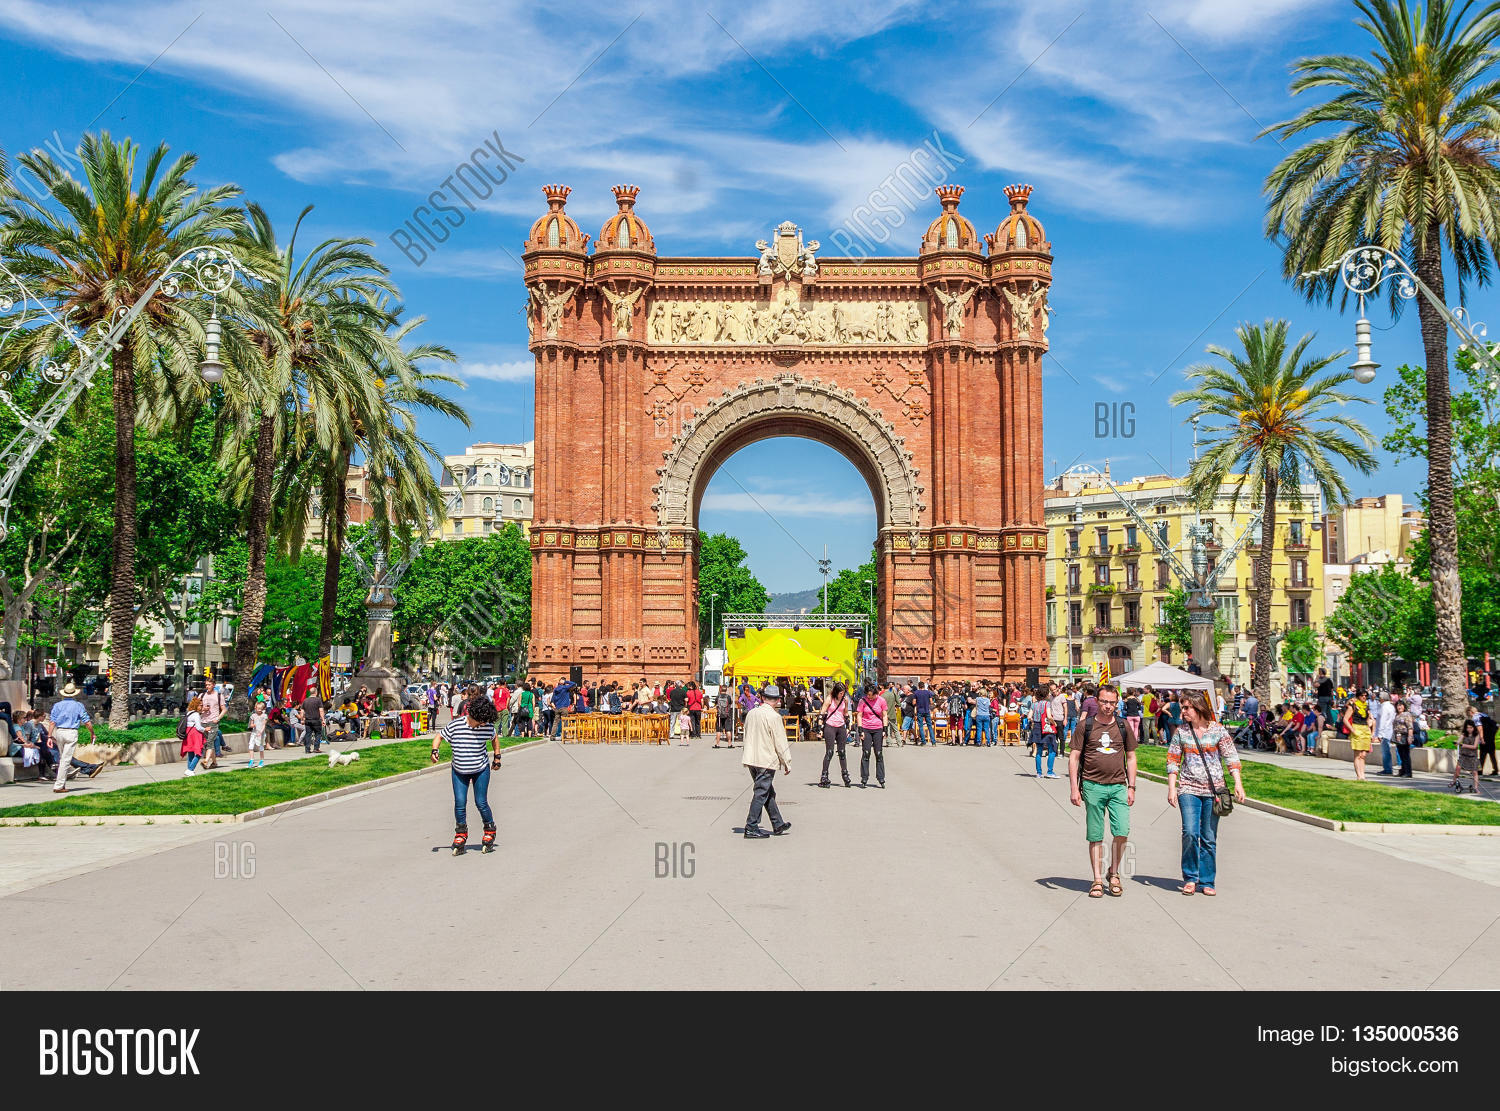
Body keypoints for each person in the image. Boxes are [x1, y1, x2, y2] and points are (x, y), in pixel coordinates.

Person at [1166, 689, 1245, 896]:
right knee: (1190, 833)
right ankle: (1191, 877)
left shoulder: (1218, 731)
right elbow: (1173, 760)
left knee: (1209, 837)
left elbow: (1231, 757)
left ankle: (1207, 880)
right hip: (1188, 788)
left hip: (1214, 791)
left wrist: (1238, 783)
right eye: (1182, 707)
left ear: (1198, 707)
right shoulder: (1182, 732)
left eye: (1186, 707)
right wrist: (1172, 787)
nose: (1183, 711)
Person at [1068, 684, 1137, 898]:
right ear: (1097, 701)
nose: (1108, 706)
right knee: (1095, 835)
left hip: (1118, 786)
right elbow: (1074, 757)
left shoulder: (1123, 725)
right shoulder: (1085, 726)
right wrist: (1074, 788)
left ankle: (1113, 872)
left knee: (1122, 831)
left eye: (1112, 703)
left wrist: (1132, 786)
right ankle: (1097, 879)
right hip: (1092, 785)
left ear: (1118, 703)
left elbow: (1132, 757)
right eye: (1105, 702)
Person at [433, 684, 503, 854]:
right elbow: (439, 736)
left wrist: (497, 757)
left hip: (480, 769)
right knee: (460, 803)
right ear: (474, 715)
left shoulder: (486, 727)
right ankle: (461, 833)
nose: (483, 724)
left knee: (481, 802)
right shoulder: (457, 725)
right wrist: (435, 750)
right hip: (459, 771)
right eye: (481, 720)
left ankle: (489, 829)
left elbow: (494, 739)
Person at [740, 683, 792, 839]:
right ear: (776, 700)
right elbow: (780, 742)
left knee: (767, 791)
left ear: (762, 698)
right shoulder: (774, 717)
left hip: (751, 757)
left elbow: (746, 734)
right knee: (761, 792)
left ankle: (777, 823)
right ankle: (751, 826)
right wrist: (786, 762)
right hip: (766, 759)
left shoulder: (752, 713)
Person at [47, 681, 99, 794]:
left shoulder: (57, 705)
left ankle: (62, 783)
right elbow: (87, 722)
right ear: (74, 694)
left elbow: (52, 722)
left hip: (59, 731)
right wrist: (92, 733)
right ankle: (59, 785)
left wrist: (49, 736)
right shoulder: (78, 705)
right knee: (65, 760)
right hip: (71, 732)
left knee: (63, 758)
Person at [818, 681, 852, 788]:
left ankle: (845, 774)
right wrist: (820, 728)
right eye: (841, 693)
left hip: (841, 726)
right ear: (836, 692)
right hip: (830, 726)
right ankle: (824, 776)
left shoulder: (844, 700)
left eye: (844, 693)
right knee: (829, 752)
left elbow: (845, 713)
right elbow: (822, 713)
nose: (843, 695)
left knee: (842, 752)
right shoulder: (829, 699)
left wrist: (848, 725)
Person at [856, 680, 888, 788]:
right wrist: (860, 730)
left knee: (878, 753)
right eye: (867, 695)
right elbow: (859, 715)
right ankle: (864, 777)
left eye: (871, 695)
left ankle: (881, 778)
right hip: (866, 728)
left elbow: (884, 715)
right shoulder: (862, 701)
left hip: (878, 728)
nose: (869, 697)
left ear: (875, 693)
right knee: (866, 753)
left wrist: (885, 729)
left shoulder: (881, 701)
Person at [199, 679, 227, 769]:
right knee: (208, 744)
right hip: (203, 721)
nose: (207, 686)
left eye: (209, 685)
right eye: (206, 685)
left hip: (213, 722)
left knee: (209, 742)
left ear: (214, 685)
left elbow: (224, 709)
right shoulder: (202, 695)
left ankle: (206, 761)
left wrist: (217, 718)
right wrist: (203, 709)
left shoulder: (219, 696)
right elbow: (197, 708)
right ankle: (214, 763)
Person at [181, 695, 207, 777]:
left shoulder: (189, 713)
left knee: (191, 752)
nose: (202, 706)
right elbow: (198, 727)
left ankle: (189, 771)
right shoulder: (196, 714)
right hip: (195, 734)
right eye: (200, 705)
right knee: (199, 752)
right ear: (196, 705)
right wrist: (206, 729)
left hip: (188, 734)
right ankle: (190, 769)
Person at [1453, 720, 1482, 793]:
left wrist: (1463, 745)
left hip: (1472, 756)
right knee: (1458, 768)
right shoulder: (1464, 734)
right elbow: (1459, 740)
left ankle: (1475, 787)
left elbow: (1474, 746)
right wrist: (1457, 742)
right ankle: (1454, 781)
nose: (1469, 729)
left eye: (1471, 727)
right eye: (1467, 728)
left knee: (1475, 772)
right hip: (1464, 755)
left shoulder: (1476, 735)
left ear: (1474, 728)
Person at [1374, 691, 1396, 775]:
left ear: (1382, 698)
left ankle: (1387, 769)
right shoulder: (1391, 706)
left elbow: (1382, 721)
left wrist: (1380, 734)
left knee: (1385, 751)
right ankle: (1387, 768)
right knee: (1386, 750)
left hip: (1385, 732)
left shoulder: (1384, 707)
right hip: (1389, 730)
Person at [1392, 699, 1414, 778]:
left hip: (1405, 735)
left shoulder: (1406, 714)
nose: (1399, 707)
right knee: (1401, 754)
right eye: (1398, 705)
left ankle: (1408, 772)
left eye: (1401, 705)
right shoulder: (1397, 715)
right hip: (1398, 736)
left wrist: (1410, 737)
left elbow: (1410, 727)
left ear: (1404, 706)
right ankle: (1403, 771)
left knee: (1405, 755)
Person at [301, 686, 327, 754]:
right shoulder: (318, 700)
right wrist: (323, 720)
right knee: (318, 734)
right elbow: (321, 710)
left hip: (308, 720)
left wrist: (302, 719)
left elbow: (302, 711)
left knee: (308, 734)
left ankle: (307, 749)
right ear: (316, 692)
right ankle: (316, 748)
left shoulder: (305, 700)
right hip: (316, 720)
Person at [912, 681, 936, 746]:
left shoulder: (916, 692)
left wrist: (917, 703)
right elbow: (931, 702)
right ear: (924, 686)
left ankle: (923, 741)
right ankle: (933, 742)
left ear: (918, 686)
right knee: (930, 726)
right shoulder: (928, 692)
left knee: (921, 726)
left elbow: (914, 702)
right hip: (927, 710)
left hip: (920, 710)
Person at [247, 699, 269, 768]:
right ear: (255, 708)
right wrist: (252, 725)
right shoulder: (253, 715)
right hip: (254, 733)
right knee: (250, 746)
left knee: (261, 747)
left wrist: (261, 732)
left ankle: (261, 761)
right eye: (258, 708)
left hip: (261, 734)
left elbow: (264, 725)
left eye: (261, 709)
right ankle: (251, 761)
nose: (259, 710)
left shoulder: (264, 716)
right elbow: (251, 724)